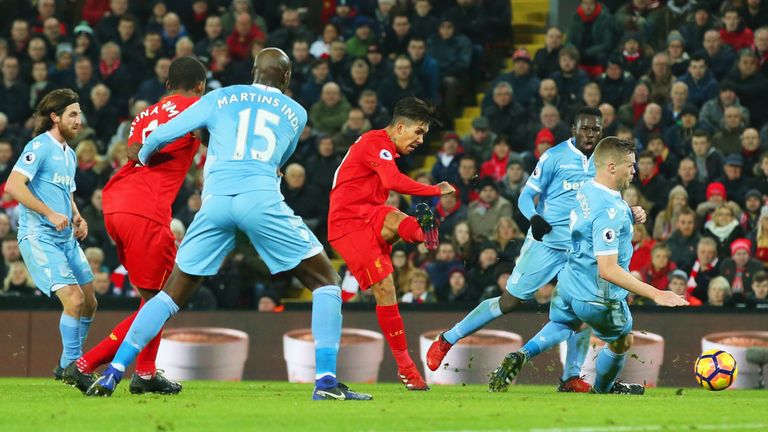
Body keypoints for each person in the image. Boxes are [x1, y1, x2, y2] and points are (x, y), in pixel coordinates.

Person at [86, 48, 371, 401]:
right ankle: (326, 383)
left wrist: (142, 157)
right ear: (285, 78)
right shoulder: (297, 112)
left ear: (253, 71)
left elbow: (159, 137)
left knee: (169, 294)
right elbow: (281, 159)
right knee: (326, 281)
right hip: (260, 198)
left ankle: (113, 373)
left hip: (215, 202)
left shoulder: (219, 97)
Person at [427, 107, 645, 392]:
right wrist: (534, 218)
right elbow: (526, 196)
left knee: (579, 314)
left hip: (580, 250)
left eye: (596, 129)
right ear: (573, 128)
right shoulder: (554, 157)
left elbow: (603, 204)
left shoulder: (605, 163)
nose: (590, 134)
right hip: (546, 243)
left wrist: (628, 212)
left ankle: (570, 377)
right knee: (510, 302)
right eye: (585, 128)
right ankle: (448, 338)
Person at [488, 136, 687, 394]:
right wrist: (657, 293)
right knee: (621, 340)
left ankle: (521, 355)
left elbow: (597, 215)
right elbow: (609, 269)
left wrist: (628, 213)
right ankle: (604, 389)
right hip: (598, 296)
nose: (634, 170)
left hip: (569, 282)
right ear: (612, 167)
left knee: (564, 324)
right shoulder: (610, 212)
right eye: (630, 165)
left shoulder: (585, 190)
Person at [71, 57, 207, 396]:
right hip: (146, 209)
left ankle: (145, 373)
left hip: (116, 202)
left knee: (152, 298)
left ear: (166, 84)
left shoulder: (145, 114)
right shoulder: (198, 107)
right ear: (201, 86)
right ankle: (85, 364)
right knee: (164, 298)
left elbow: (134, 151)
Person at [328, 96, 454, 391]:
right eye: (419, 132)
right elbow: (393, 181)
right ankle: (406, 369)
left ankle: (424, 232)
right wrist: (435, 189)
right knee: (386, 288)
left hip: (369, 214)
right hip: (347, 226)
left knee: (394, 215)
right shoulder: (376, 143)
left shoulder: (379, 145)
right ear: (399, 127)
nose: (421, 140)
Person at [5, 89, 96, 392]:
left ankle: (68, 365)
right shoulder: (39, 146)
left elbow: (65, 193)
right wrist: (49, 213)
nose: (78, 120)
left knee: (90, 303)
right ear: (55, 117)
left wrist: (76, 215)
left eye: (79, 114)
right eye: (72, 114)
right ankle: (73, 365)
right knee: (75, 300)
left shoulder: (69, 153)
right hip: (39, 236)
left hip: (66, 236)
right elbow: (14, 186)